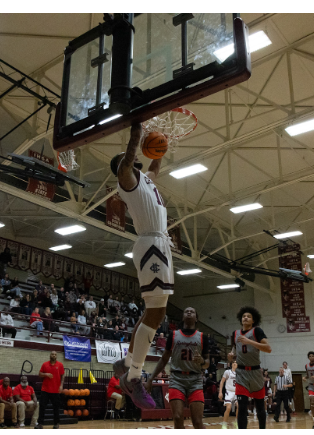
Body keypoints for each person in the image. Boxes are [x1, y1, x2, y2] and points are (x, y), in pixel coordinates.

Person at [110, 124, 174, 410]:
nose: (137, 161)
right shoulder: (128, 180)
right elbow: (128, 160)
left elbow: (155, 166)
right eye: (132, 160)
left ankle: (125, 364)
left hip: (158, 245)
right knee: (157, 314)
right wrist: (137, 130)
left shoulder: (145, 180)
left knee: (154, 312)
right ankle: (134, 376)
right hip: (151, 244)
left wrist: (163, 145)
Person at [146, 307, 208, 429]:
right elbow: (164, 359)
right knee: (178, 417)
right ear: (182, 317)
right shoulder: (174, 335)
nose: (189, 312)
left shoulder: (202, 337)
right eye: (186, 311)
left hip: (195, 380)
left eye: (192, 311)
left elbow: (207, 363)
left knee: (197, 421)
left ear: (196, 318)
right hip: (177, 379)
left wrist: (201, 361)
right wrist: (151, 378)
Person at [226, 306, 272, 429]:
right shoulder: (235, 333)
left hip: (255, 372)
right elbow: (235, 352)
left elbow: (268, 348)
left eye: (249, 316)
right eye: (243, 316)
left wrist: (250, 341)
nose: (245, 318)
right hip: (241, 373)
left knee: (260, 407)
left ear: (253, 320)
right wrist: (231, 357)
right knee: (241, 407)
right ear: (241, 320)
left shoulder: (257, 331)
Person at [36, 350, 65, 429]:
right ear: (50, 355)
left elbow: (62, 375)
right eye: (52, 354)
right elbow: (39, 374)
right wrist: (46, 374)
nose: (54, 355)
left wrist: (61, 385)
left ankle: (56, 423)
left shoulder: (60, 365)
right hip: (45, 389)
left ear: (56, 356)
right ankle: (40, 424)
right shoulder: (45, 364)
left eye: (55, 354)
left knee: (56, 408)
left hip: (55, 390)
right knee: (42, 407)